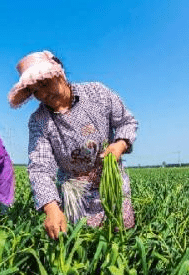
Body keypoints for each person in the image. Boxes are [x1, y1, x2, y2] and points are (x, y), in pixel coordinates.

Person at [8, 50, 138, 239]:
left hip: (113, 187)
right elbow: (40, 167)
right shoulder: (39, 120)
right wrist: (51, 207)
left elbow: (126, 122)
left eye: (45, 83)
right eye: (35, 91)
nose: (43, 94)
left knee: (121, 241)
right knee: (83, 245)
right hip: (76, 195)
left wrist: (120, 145)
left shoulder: (97, 93)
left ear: (59, 73)